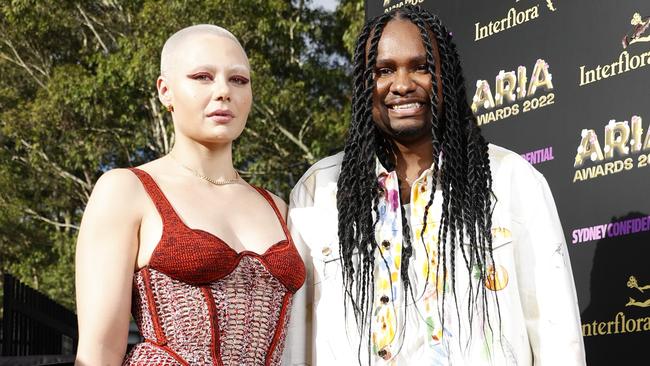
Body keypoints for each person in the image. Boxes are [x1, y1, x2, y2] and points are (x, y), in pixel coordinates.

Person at [286, 5, 585, 366]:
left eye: (422, 66)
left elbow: (557, 338)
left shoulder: (513, 182)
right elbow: (296, 341)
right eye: (384, 70)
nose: (402, 84)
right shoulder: (319, 191)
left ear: (447, 77)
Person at [75, 24, 305, 365]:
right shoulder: (128, 190)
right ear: (165, 91)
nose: (224, 91)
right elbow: (99, 350)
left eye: (239, 80)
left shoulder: (279, 207)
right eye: (202, 76)